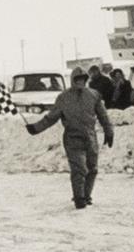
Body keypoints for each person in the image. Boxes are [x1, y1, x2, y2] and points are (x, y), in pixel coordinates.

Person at [25, 70, 114, 209]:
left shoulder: (93, 95)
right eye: (77, 79)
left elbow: (103, 116)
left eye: (83, 79)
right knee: (79, 169)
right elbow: (51, 117)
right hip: (73, 138)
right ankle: (79, 198)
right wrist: (36, 128)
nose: (80, 82)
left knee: (93, 169)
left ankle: (86, 195)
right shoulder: (63, 98)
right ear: (73, 80)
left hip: (90, 137)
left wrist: (109, 132)